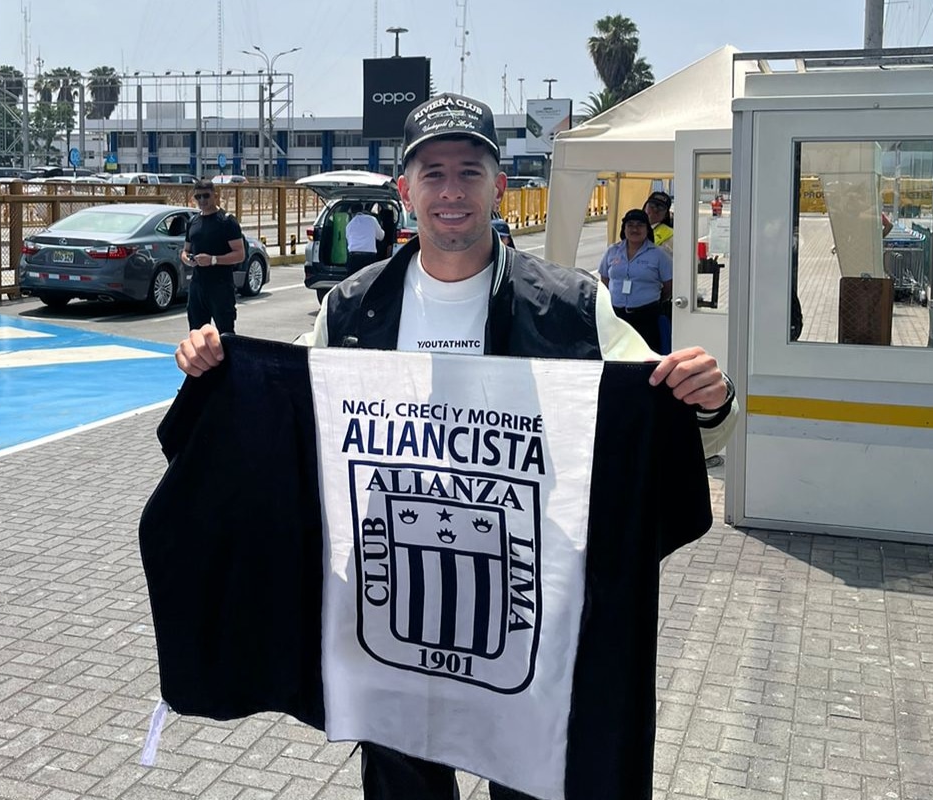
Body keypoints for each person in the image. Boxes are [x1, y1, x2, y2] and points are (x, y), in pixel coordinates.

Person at [174, 93, 736, 800]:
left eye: (469, 172)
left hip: (531, 611)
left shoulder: (570, 306)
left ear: (498, 186)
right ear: (405, 190)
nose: (451, 192)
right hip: (391, 604)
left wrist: (711, 401)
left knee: (535, 781)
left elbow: (667, 423)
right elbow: (286, 416)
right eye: (432, 173)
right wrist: (214, 371)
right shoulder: (351, 309)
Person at [598, 208, 673, 354]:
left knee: (646, 357)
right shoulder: (612, 251)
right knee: (617, 356)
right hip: (616, 316)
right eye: (630, 225)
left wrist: (654, 299)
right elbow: (605, 279)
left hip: (647, 316)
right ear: (624, 228)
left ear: (647, 229)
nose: (634, 229)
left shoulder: (658, 254)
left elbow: (669, 286)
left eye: (640, 225)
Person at [181, 179, 245, 334]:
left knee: (225, 334)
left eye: (206, 196)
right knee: (196, 335)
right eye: (198, 197)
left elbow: (240, 254)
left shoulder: (227, 221)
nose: (202, 200)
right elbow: (185, 251)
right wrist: (188, 259)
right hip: (197, 286)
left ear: (215, 196)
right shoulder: (193, 221)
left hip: (221, 287)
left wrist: (213, 260)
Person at [344, 205, 385, 275]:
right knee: (369, 279)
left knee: (352, 280)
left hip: (354, 258)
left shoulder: (349, 225)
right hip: (369, 257)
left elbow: (348, 240)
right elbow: (381, 236)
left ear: (351, 213)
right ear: (362, 210)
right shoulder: (372, 220)